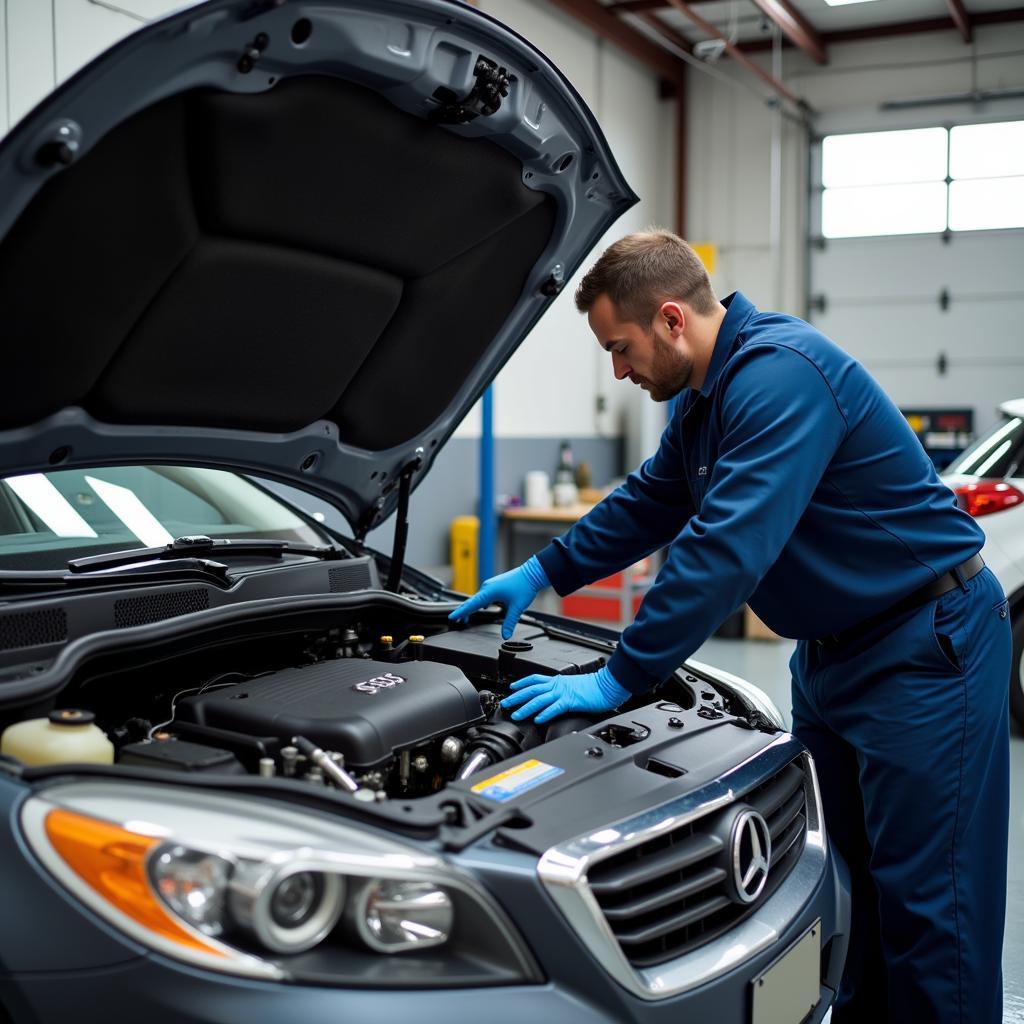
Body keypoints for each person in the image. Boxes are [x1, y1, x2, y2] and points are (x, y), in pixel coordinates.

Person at [449, 230, 1010, 1023]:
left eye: (620, 346)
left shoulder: (781, 377)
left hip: (925, 649)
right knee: (850, 897)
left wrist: (621, 677)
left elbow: (726, 547)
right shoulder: (704, 399)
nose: (617, 369)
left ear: (672, 319)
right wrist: (545, 572)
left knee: (931, 913)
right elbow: (653, 499)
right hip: (832, 657)